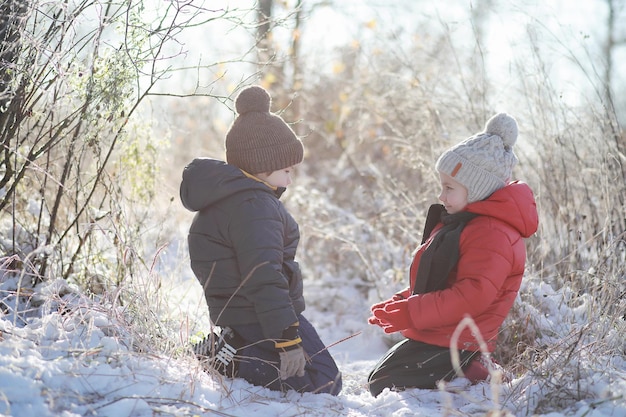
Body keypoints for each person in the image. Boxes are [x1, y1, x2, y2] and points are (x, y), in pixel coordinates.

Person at [179, 85, 342, 395]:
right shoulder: (255, 206)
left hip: (245, 313)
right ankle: (230, 358)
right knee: (325, 382)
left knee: (320, 376)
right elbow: (264, 274)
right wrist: (287, 339)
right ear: (261, 166)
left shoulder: (232, 198)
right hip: (258, 314)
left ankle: (232, 346)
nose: (290, 180)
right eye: (286, 170)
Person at [367, 113, 539, 397]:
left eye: (449, 188)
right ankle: (466, 369)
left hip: (461, 341)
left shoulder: (491, 233)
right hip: (442, 333)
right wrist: (403, 301)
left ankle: (476, 372)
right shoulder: (464, 224)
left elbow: (472, 294)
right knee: (378, 377)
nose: (441, 196)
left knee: (383, 383)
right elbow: (441, 279)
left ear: (477, 189)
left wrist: (412, 311)